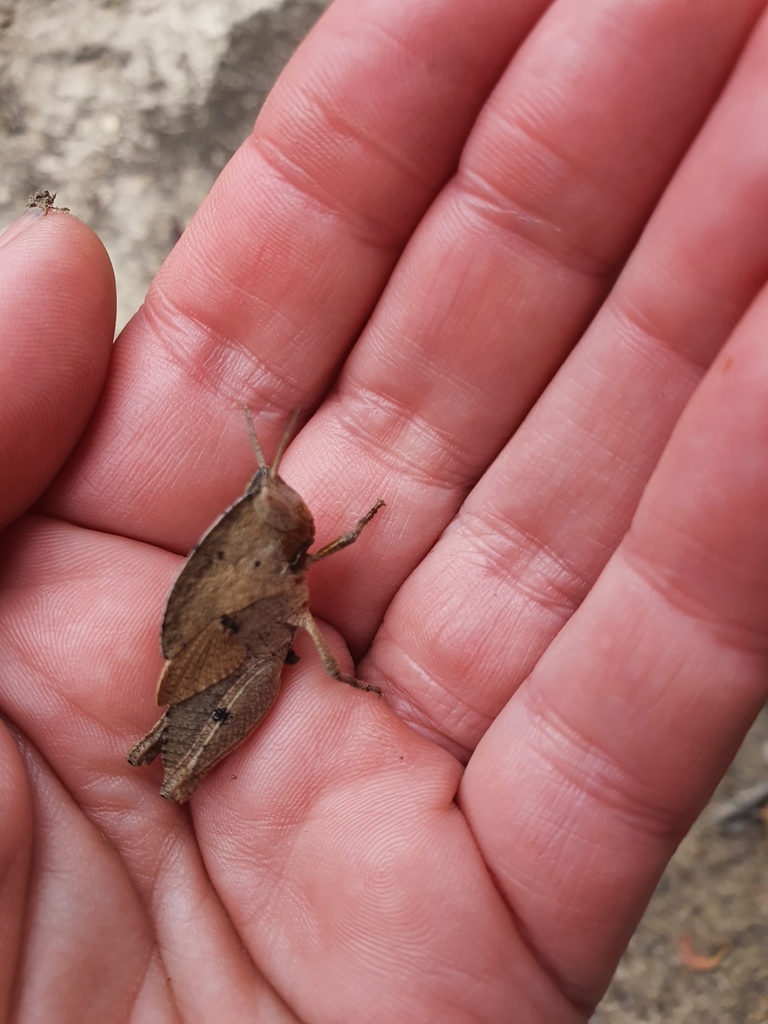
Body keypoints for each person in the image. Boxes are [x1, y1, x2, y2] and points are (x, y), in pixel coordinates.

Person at [2, 0, 768, 1019]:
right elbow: (286, 617)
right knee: (197, 722)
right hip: (229, 674)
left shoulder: (261, 563)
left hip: (236, 634)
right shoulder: (267, 582)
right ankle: (171, 758)